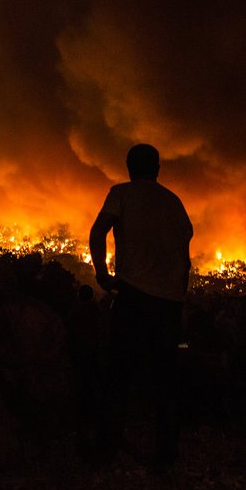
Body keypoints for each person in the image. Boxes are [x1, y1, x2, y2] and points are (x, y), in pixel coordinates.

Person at [88, 143, 193, 470]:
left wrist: (102, 274)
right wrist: (179, 298)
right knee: (165, 378)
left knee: (118, 372)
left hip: (134, 295)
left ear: (129, 167)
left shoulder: (121, 194)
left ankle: (105, 448)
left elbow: (98, 232)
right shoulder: (175, 202)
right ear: (157, 169)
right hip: (169, 303)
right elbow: (185, 254)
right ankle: (167, 453)